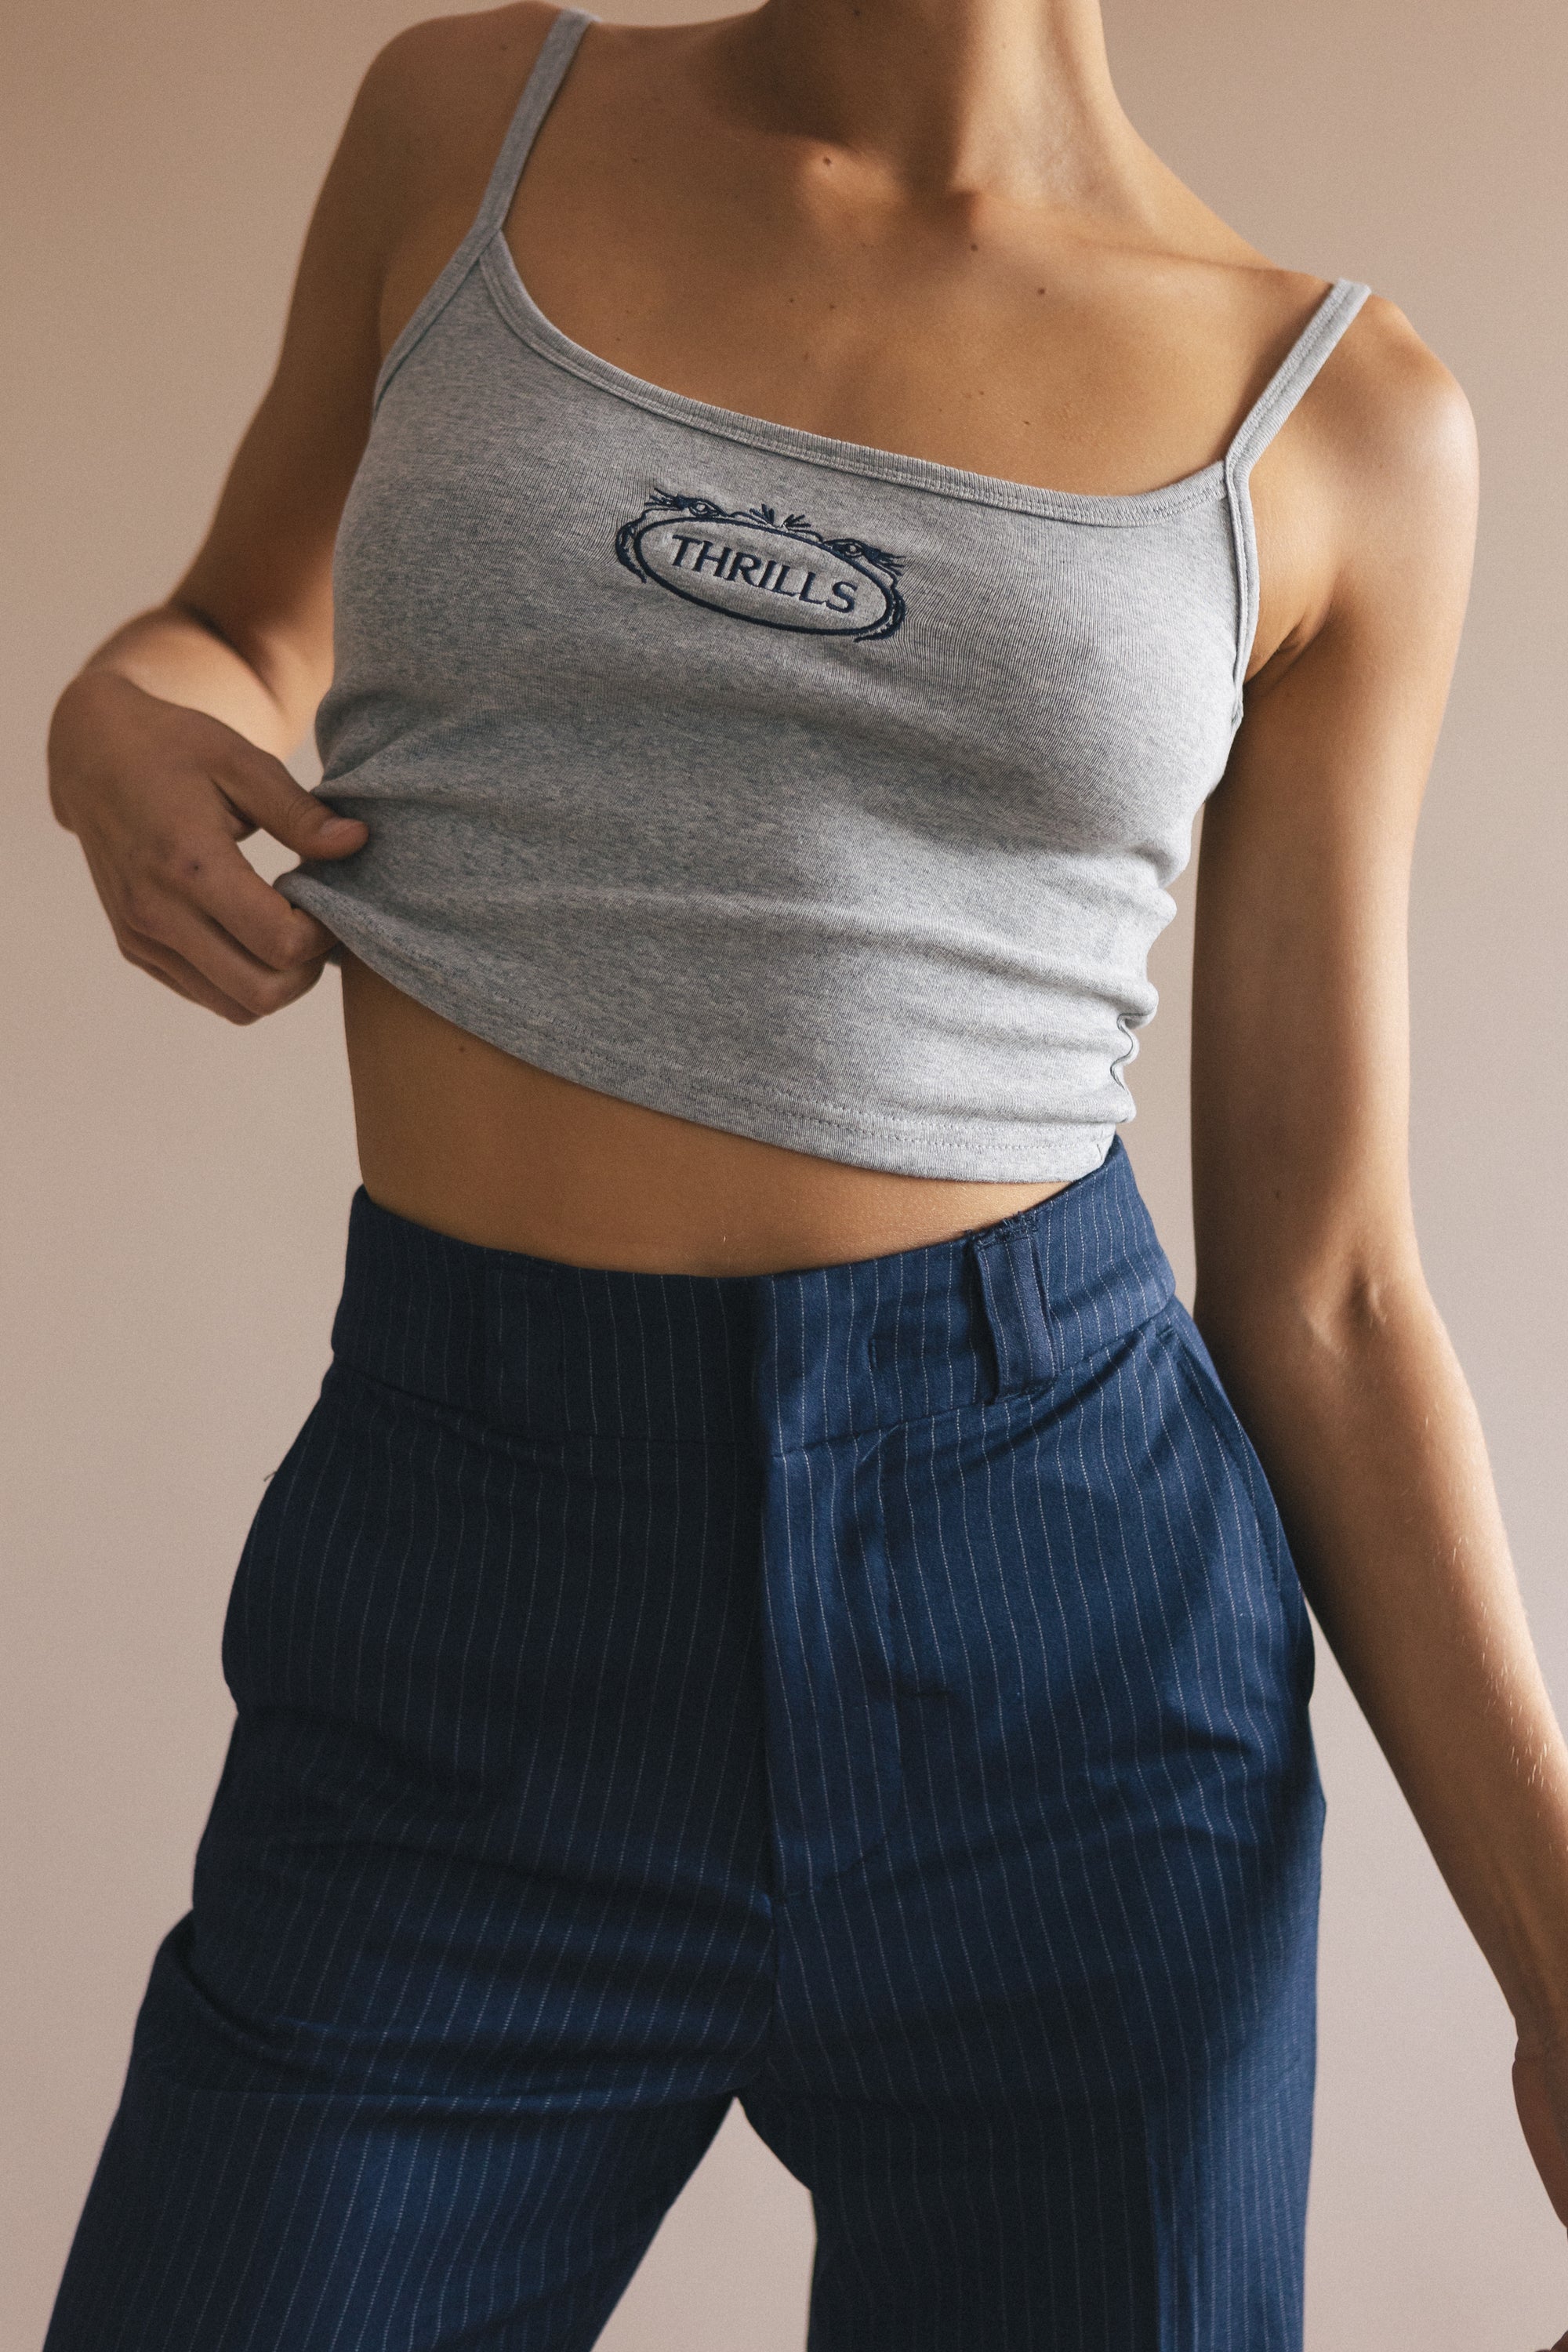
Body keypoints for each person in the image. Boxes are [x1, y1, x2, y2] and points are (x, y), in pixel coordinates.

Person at [38, 1, 1568, 2345]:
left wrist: (1556, 1951)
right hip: (466, 1604)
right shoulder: (468, 121)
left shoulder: (1343, 419)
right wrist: (108, 725)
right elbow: (240, 623)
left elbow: (1329, 1285)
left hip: (1073, 1667)